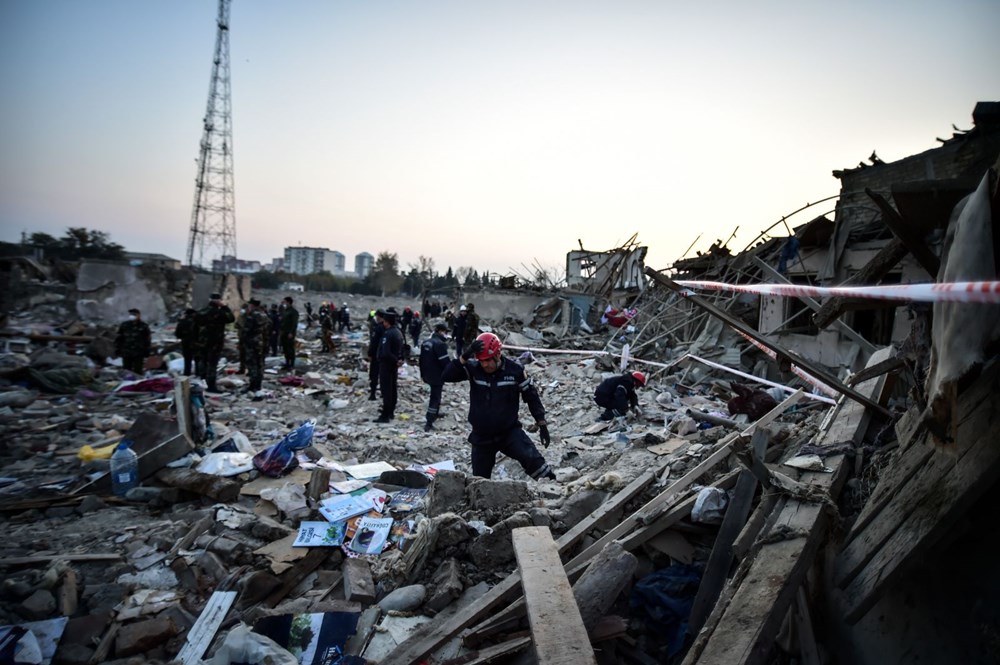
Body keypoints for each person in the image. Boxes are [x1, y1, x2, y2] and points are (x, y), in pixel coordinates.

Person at [442, 332, 555, 480]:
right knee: (479, 482)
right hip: (482, 436)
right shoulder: (474, 369)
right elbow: (446, 376)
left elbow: (531, 397)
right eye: (481, 361)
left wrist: (542, 423)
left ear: (497, 355)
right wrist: (466, 355)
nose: (485, 364)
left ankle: (553, 489)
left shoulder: (515, 371)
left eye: (488, 360)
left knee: (534, 461)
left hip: (508, 433)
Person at [196, 292, 235, 392]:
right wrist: (225, 307)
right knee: (212, 363)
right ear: (219, 301)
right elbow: (231, 318)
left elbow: (195, 325)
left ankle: (201, 382)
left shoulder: (201, 312)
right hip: (215, 341)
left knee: (203, 362)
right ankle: (211, 386)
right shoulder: (220, 313)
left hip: (203, 341)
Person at [419, 322, 451, 431]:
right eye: (446, 332)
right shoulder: (440, 345)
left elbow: (421, 360)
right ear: (440, 332)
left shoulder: (426, 343)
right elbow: (445, 362)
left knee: (435, 395)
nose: (446, 335)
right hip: (437, 375)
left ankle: (435, 413)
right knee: (435, 397)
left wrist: (422, 374)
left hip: (427, 374)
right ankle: (429, 421)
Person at [375, 308, 405, 423]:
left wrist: (396, 360)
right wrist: (400, 359)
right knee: (393, 389)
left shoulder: (388, 333)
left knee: (386, 390)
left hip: (387, 364)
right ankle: (391, 412)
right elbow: (402, 348)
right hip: (393, 365)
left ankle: (385, 415)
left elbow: (386, 352)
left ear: (387, 322)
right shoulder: (398, 332)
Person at [241, 298, 271, 392]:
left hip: (252, 342)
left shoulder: (252, 316)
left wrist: (243, 340)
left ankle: (252, 384)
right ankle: (258, 385)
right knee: (260, 364)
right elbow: (268, 328)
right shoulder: (264, 315)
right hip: (262, 342)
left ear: (252, 305)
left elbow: (246, 330)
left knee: (252, 363)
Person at [115, 308, 151, 374]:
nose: (132, 316)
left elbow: (147, 339)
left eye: (134, 314)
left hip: (138, 352)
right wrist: (118, 350)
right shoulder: (124, 325)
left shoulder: (143, 326)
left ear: (139, 315)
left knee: (138, 370)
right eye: (131, 314)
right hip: (126, 352)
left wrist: (147, 351)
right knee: (126, 370)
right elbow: (119, 338)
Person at [366, 310, 385, 400]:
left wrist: (370, 353)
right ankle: (383, 393)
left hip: (376, 356)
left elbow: (373, 343)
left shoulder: (378, 328)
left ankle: (373, 394)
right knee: (384, 375)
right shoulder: (388, 328)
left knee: (374, 375)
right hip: (385, 356)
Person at [175, 308, 199, 376]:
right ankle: (198, 374)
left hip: (185, 343)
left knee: (187, 360)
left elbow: (177, 334)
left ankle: (187, 375)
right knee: (198, 360)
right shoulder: (197, 321)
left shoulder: (182, 322)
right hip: (196, 343)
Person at [279, 296, 299, 370]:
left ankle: (291, 364)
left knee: (290, 348)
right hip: (284, 332)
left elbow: (294, 323)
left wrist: (291, 332)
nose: (283, 303)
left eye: (284, 302)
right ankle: (287, 363)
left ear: (288, 302)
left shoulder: (293, 312)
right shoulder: (285, 311)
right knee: (285, 349)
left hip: (289, 333)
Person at [235, 303, 248, 373]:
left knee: (248, 354)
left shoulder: (249, 316)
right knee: (241, 354)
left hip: (247, 338)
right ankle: (242, 368)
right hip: (241, 337)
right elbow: (236, 325)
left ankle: (249, 369)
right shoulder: (240, 316)